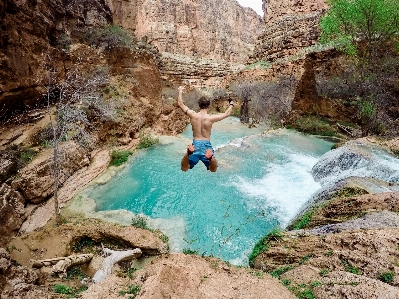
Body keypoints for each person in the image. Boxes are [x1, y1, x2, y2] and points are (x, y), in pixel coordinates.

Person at [177, 86, 234, 172]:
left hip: (195, 144)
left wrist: (180, 91)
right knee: (213, 169)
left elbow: (181, 104)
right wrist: (231, 104)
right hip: (206, 145)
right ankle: (210, 158)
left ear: (199, 105)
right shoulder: (211, 118)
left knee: (184, 168)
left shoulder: (193, 115)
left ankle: (188, 153)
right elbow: (226, 114)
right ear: (209, 106)